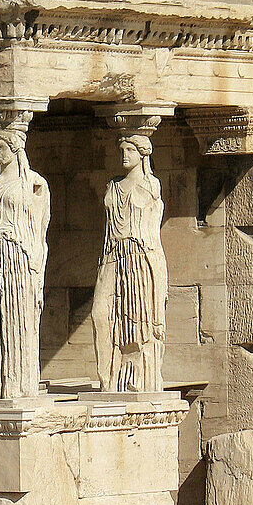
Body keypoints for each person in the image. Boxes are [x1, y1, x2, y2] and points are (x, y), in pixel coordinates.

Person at [0, 126, 50, 399]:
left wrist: (36, 270)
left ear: (15, 148)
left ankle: (14, 385)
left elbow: (40, 230)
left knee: (16, 321)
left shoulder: (34, 184)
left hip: (16, 255)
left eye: (0, 147)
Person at [91, 133, 167, 392]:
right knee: (100, 314)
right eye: (122, 149)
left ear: (143, 154)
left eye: (131, 150)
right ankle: (108, 377)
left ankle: (135, 379)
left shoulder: (150, 186)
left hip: (137, 255)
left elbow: (152, 231)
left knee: (135, 320)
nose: (124, 155)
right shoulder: (113, 185)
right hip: (112, 254)